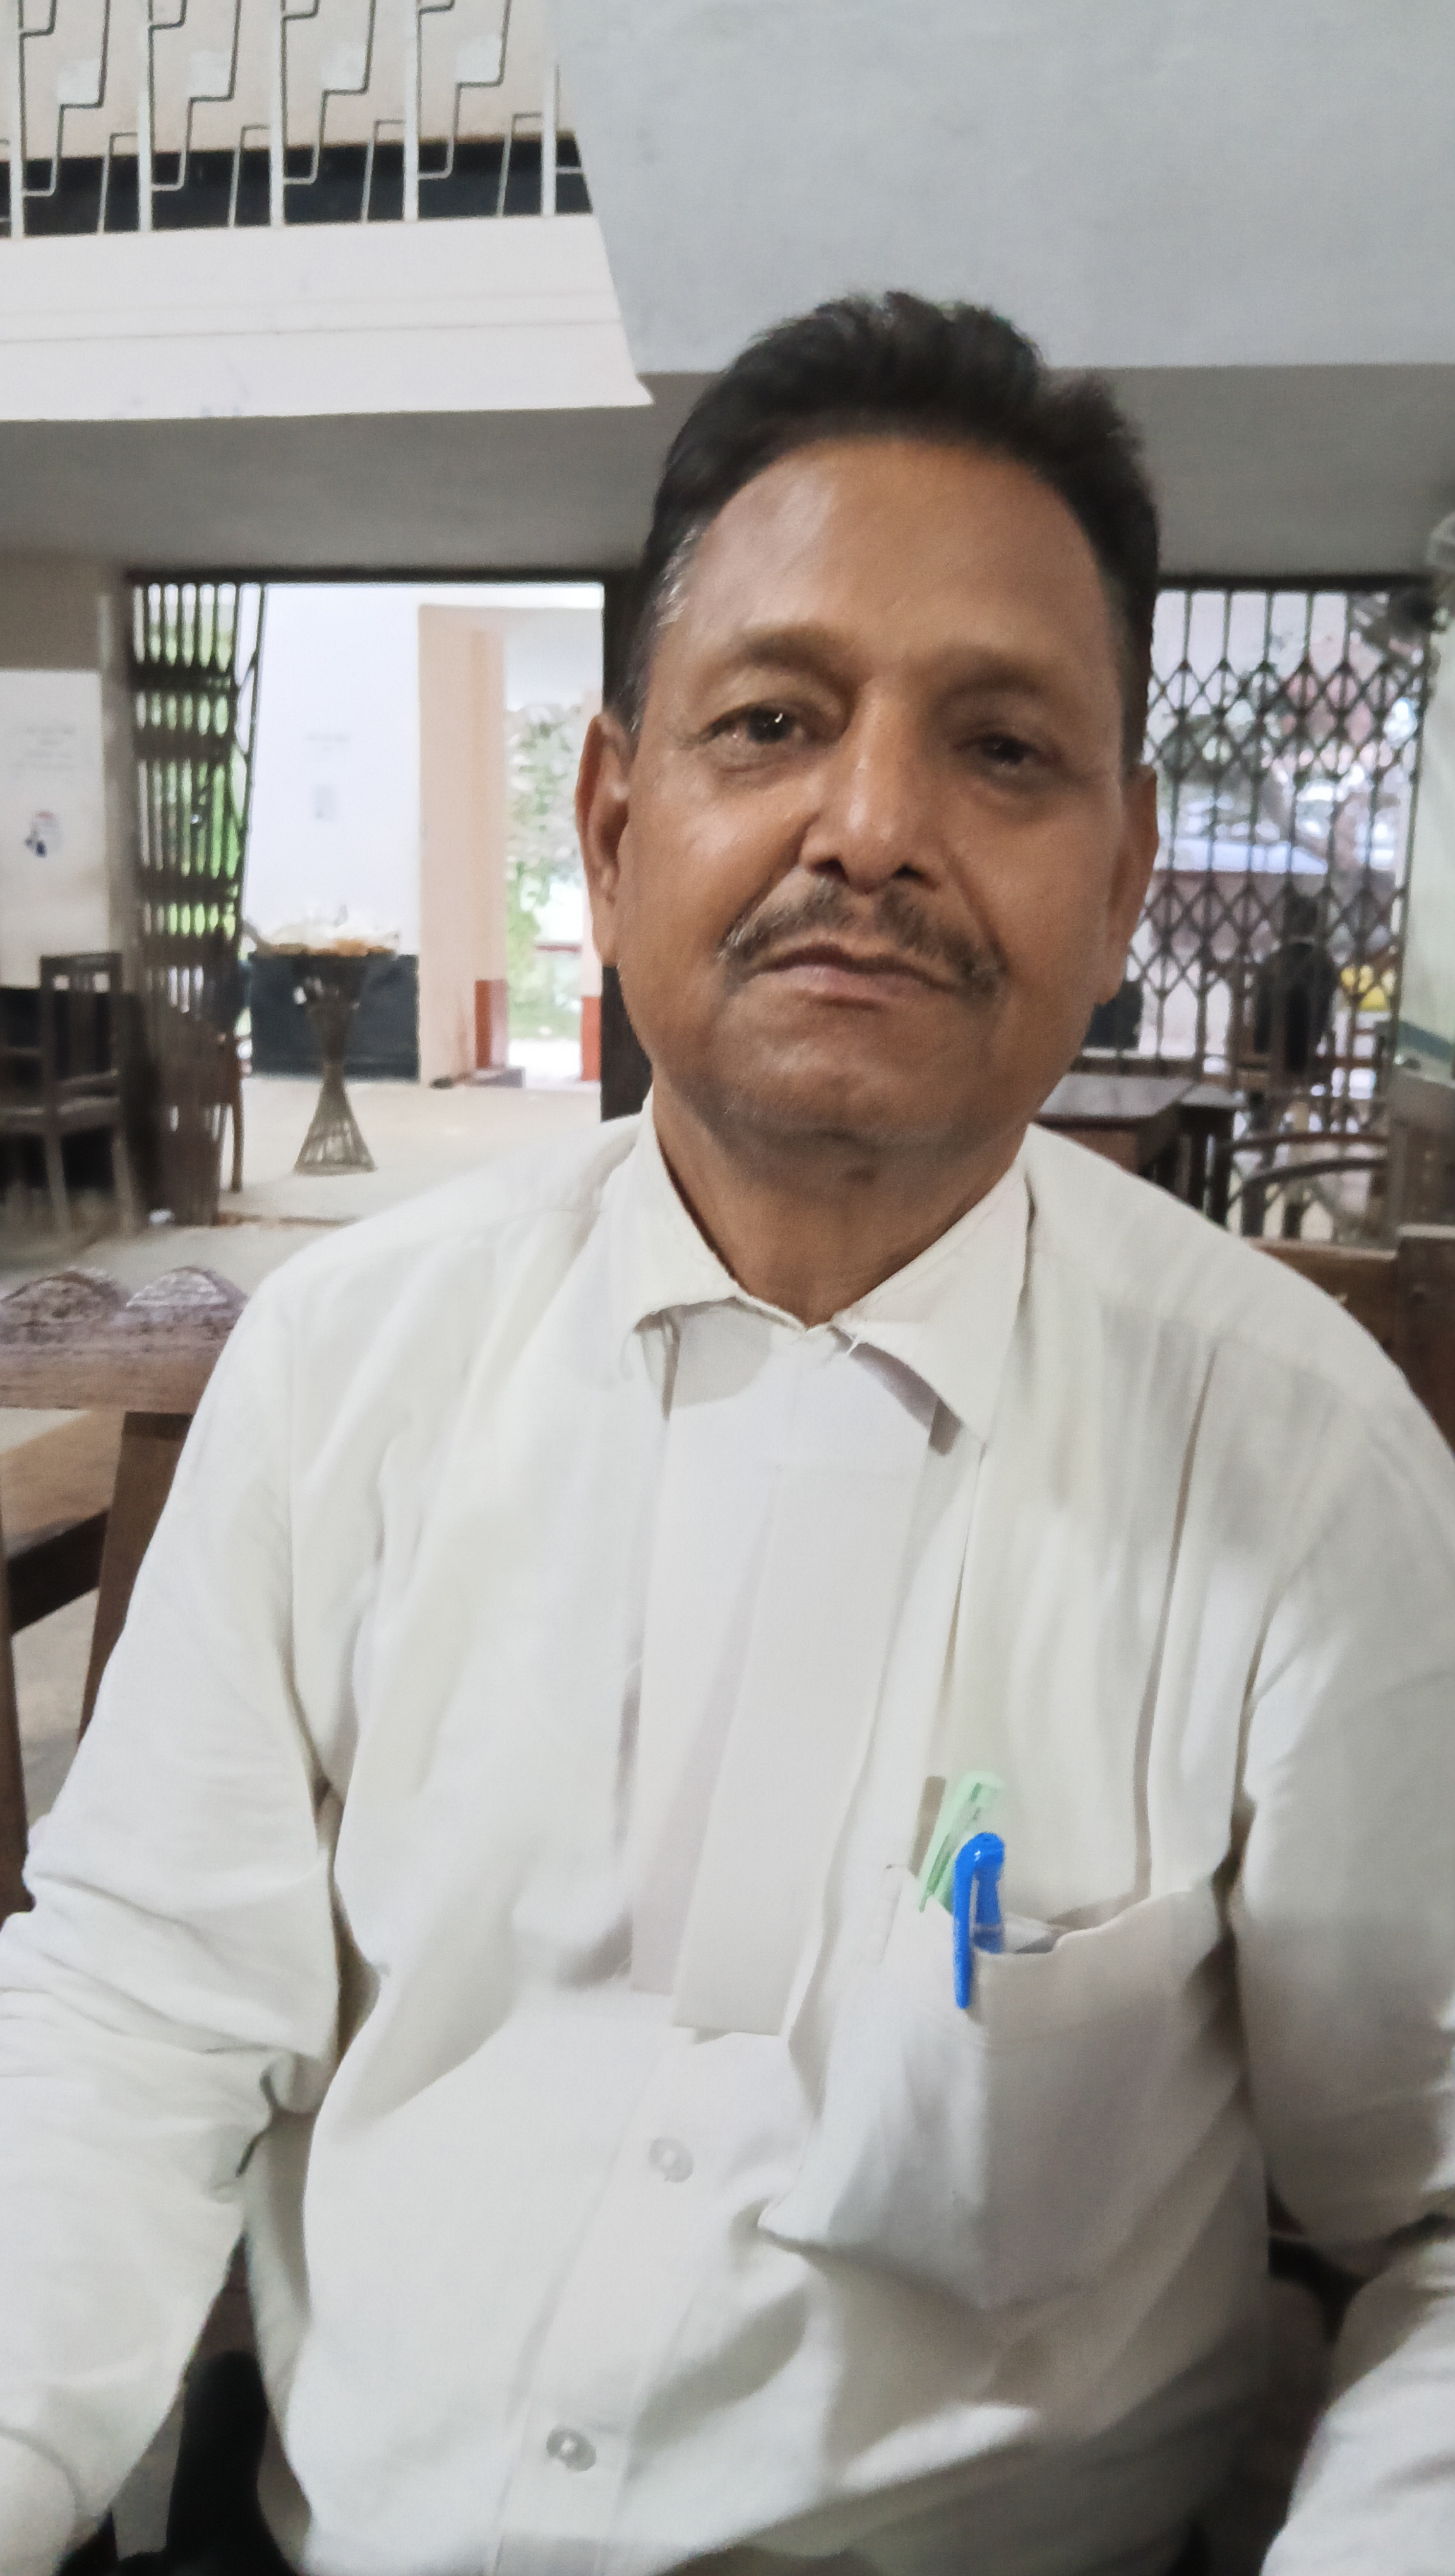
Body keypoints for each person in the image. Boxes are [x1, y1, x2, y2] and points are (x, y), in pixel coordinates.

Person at [2, 295, 1453, 2576]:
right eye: (772, 721)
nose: (868, 830)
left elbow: (1441, 2221)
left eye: (1002, 749)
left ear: (1121, 883)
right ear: (612, 823)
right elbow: (137, 2013)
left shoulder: (1296, 1469)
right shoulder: (353, 1361)